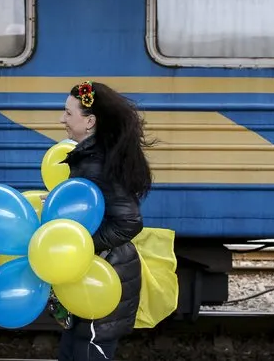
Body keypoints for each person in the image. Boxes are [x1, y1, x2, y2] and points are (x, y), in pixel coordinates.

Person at [52, 80, 155, 361]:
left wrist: (83, 246)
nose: (62, 118)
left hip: (101, 278)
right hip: (89, 277)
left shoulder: (98, 162)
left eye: (68, 113)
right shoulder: (90, 156)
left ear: (90, 122)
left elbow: (129, 221)